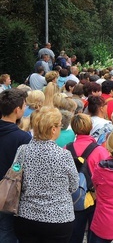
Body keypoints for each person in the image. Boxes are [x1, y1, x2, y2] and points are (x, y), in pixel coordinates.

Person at [14, 106, 79, 242]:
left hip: (27, 215)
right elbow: (74, 186)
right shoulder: (64, 155)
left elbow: (14, 178)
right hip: (59, 218)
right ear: (53, 129)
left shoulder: (23, 151)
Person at [68, 114, 110, 243]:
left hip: (75, 197)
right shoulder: (100, 151)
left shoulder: (66, 149)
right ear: (90, 127)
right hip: (96, 197)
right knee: (95, 236)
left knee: (75, 235)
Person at [0, 89, 32, 243]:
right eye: (24, 106)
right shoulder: (23, 138)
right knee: (6, 231)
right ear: (17, 110)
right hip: (8, 194)